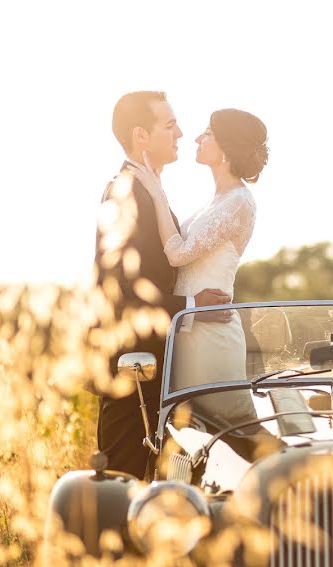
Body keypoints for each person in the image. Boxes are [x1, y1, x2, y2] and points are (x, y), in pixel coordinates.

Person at [93, 91, 230, 478]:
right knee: (125, 487)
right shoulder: (124, 192)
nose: (181, 134)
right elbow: (121, 286)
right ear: (141, 136)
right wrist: (190, 302)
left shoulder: (147, 189)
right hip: (132, 374)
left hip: (163, 368)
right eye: (169, 125)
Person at [128, 108, 268, 440]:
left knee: (236, 433)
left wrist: (156, 192)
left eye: (207, 133)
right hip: (188, 334)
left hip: (212, 337)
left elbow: (176, 253)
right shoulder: (214, 202)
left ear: (226, 147)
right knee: (195, 438)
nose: (197, 138)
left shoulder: (239, 203)